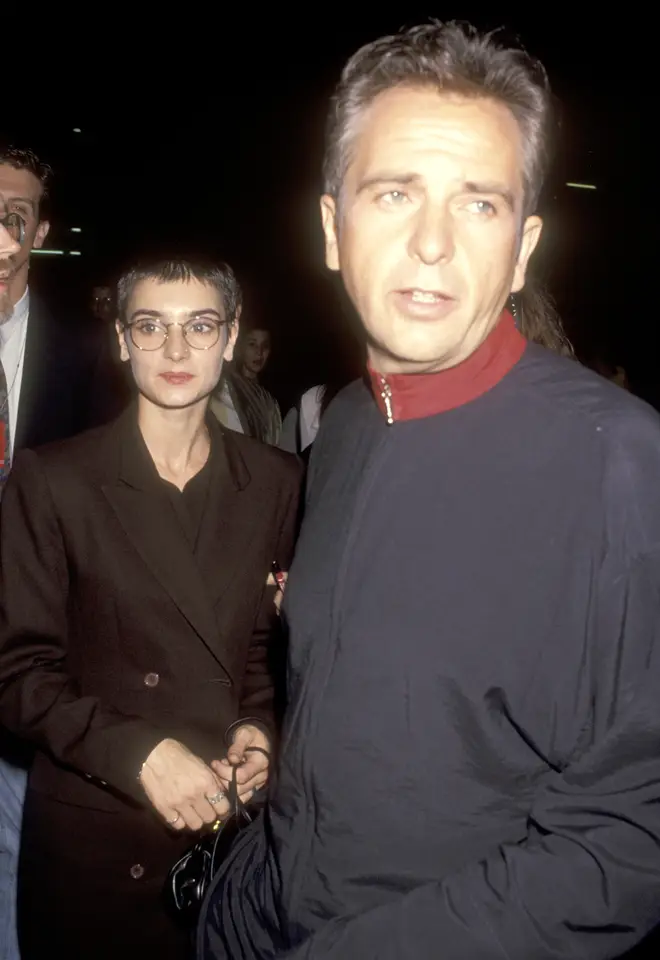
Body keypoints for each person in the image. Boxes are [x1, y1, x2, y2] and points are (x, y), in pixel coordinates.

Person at [200, 21, 660, 960]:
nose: (433, 244)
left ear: (524, 247)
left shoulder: (623, 462)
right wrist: (247, 898)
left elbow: (631, 840)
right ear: (332, 227)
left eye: (479, 204)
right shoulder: (346, 430)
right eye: (395, 192)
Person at [0, 257, 302, 960]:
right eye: (151, 326)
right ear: (120, 339)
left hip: (225, 835)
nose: (174, 351)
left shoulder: (276, 480)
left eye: (199, 327)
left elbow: (263, 651)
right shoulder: (56, 479)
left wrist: (259, 734)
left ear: (230, 339)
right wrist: (140, 754)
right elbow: (16, 671)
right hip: (97, 832)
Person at [0, 143, 124, 960]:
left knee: (18, 858)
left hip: (32, 662)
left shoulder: (87, 355)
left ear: (39, 229)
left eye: (14, 213)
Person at [211, 323, 282, 444]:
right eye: (252, 344)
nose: (259, 353)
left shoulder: (268, 400)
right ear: (240, 346)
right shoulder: (222, 390)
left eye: (265, 346)